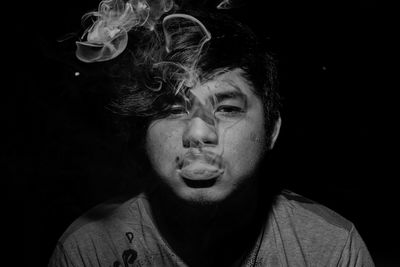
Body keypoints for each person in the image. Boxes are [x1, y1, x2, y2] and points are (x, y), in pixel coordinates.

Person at [49, 1, 374, 266]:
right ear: (143, 131)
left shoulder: (332, 249)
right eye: (173, 109)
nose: (198, 132)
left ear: (271, 131)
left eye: (227, 108)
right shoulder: (88, 249)